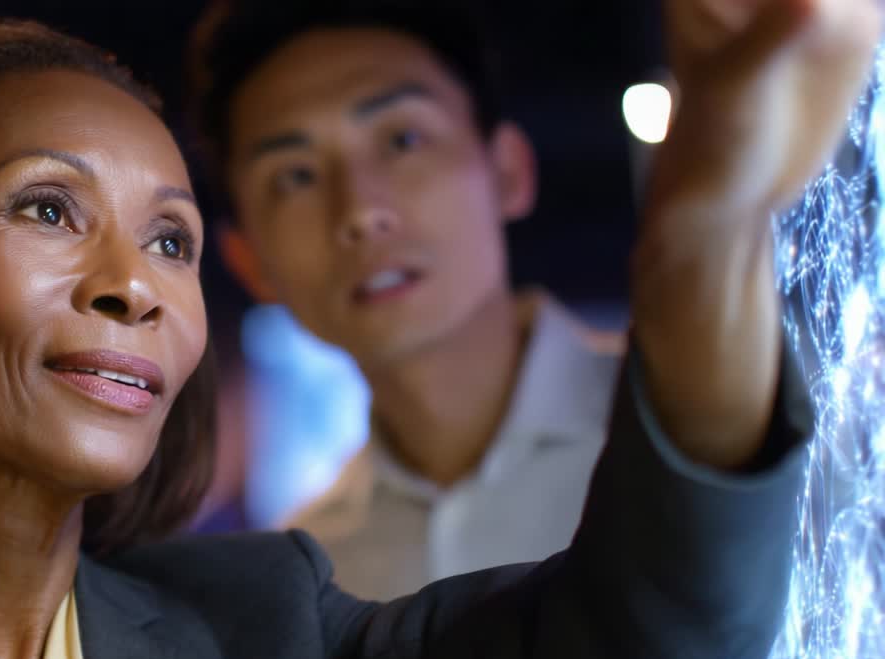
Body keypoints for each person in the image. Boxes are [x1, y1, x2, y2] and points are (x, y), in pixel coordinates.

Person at [0, 3, 876, 659]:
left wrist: (705, 210)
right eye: (47, 208)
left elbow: (653, 635)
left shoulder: (271, 637)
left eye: (170, 238)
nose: (133, 286)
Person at [185, 0, 622, 600]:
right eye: (295, 175)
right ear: (249, 263)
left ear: (508, 170)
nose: (360, 212)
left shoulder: (693, 445)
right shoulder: (312, 586)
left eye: (402, 139)